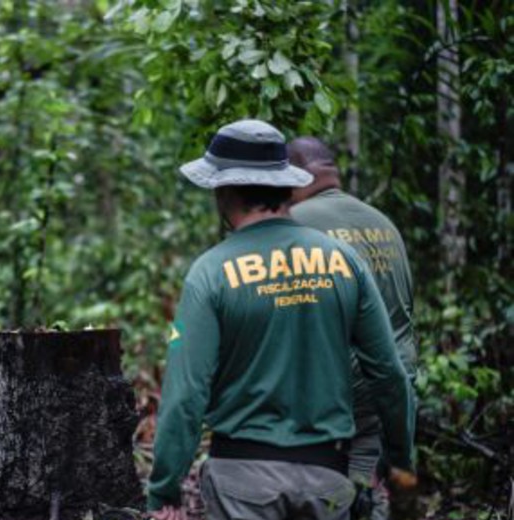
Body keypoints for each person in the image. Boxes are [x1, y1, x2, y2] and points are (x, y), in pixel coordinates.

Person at [146, 119, 416, 520]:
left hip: (240, 485)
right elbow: (390, 375)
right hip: (328, 480)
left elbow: (186, 396)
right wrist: (398, 462)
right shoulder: (345, 262)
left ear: (224, 190)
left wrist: (164, 491)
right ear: (287, 186)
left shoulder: (210, 273)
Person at [288, 137, 417, 520]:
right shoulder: (384, 224)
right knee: (364, 488)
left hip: (333, 393)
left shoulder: (295, 226)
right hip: (392, 386)